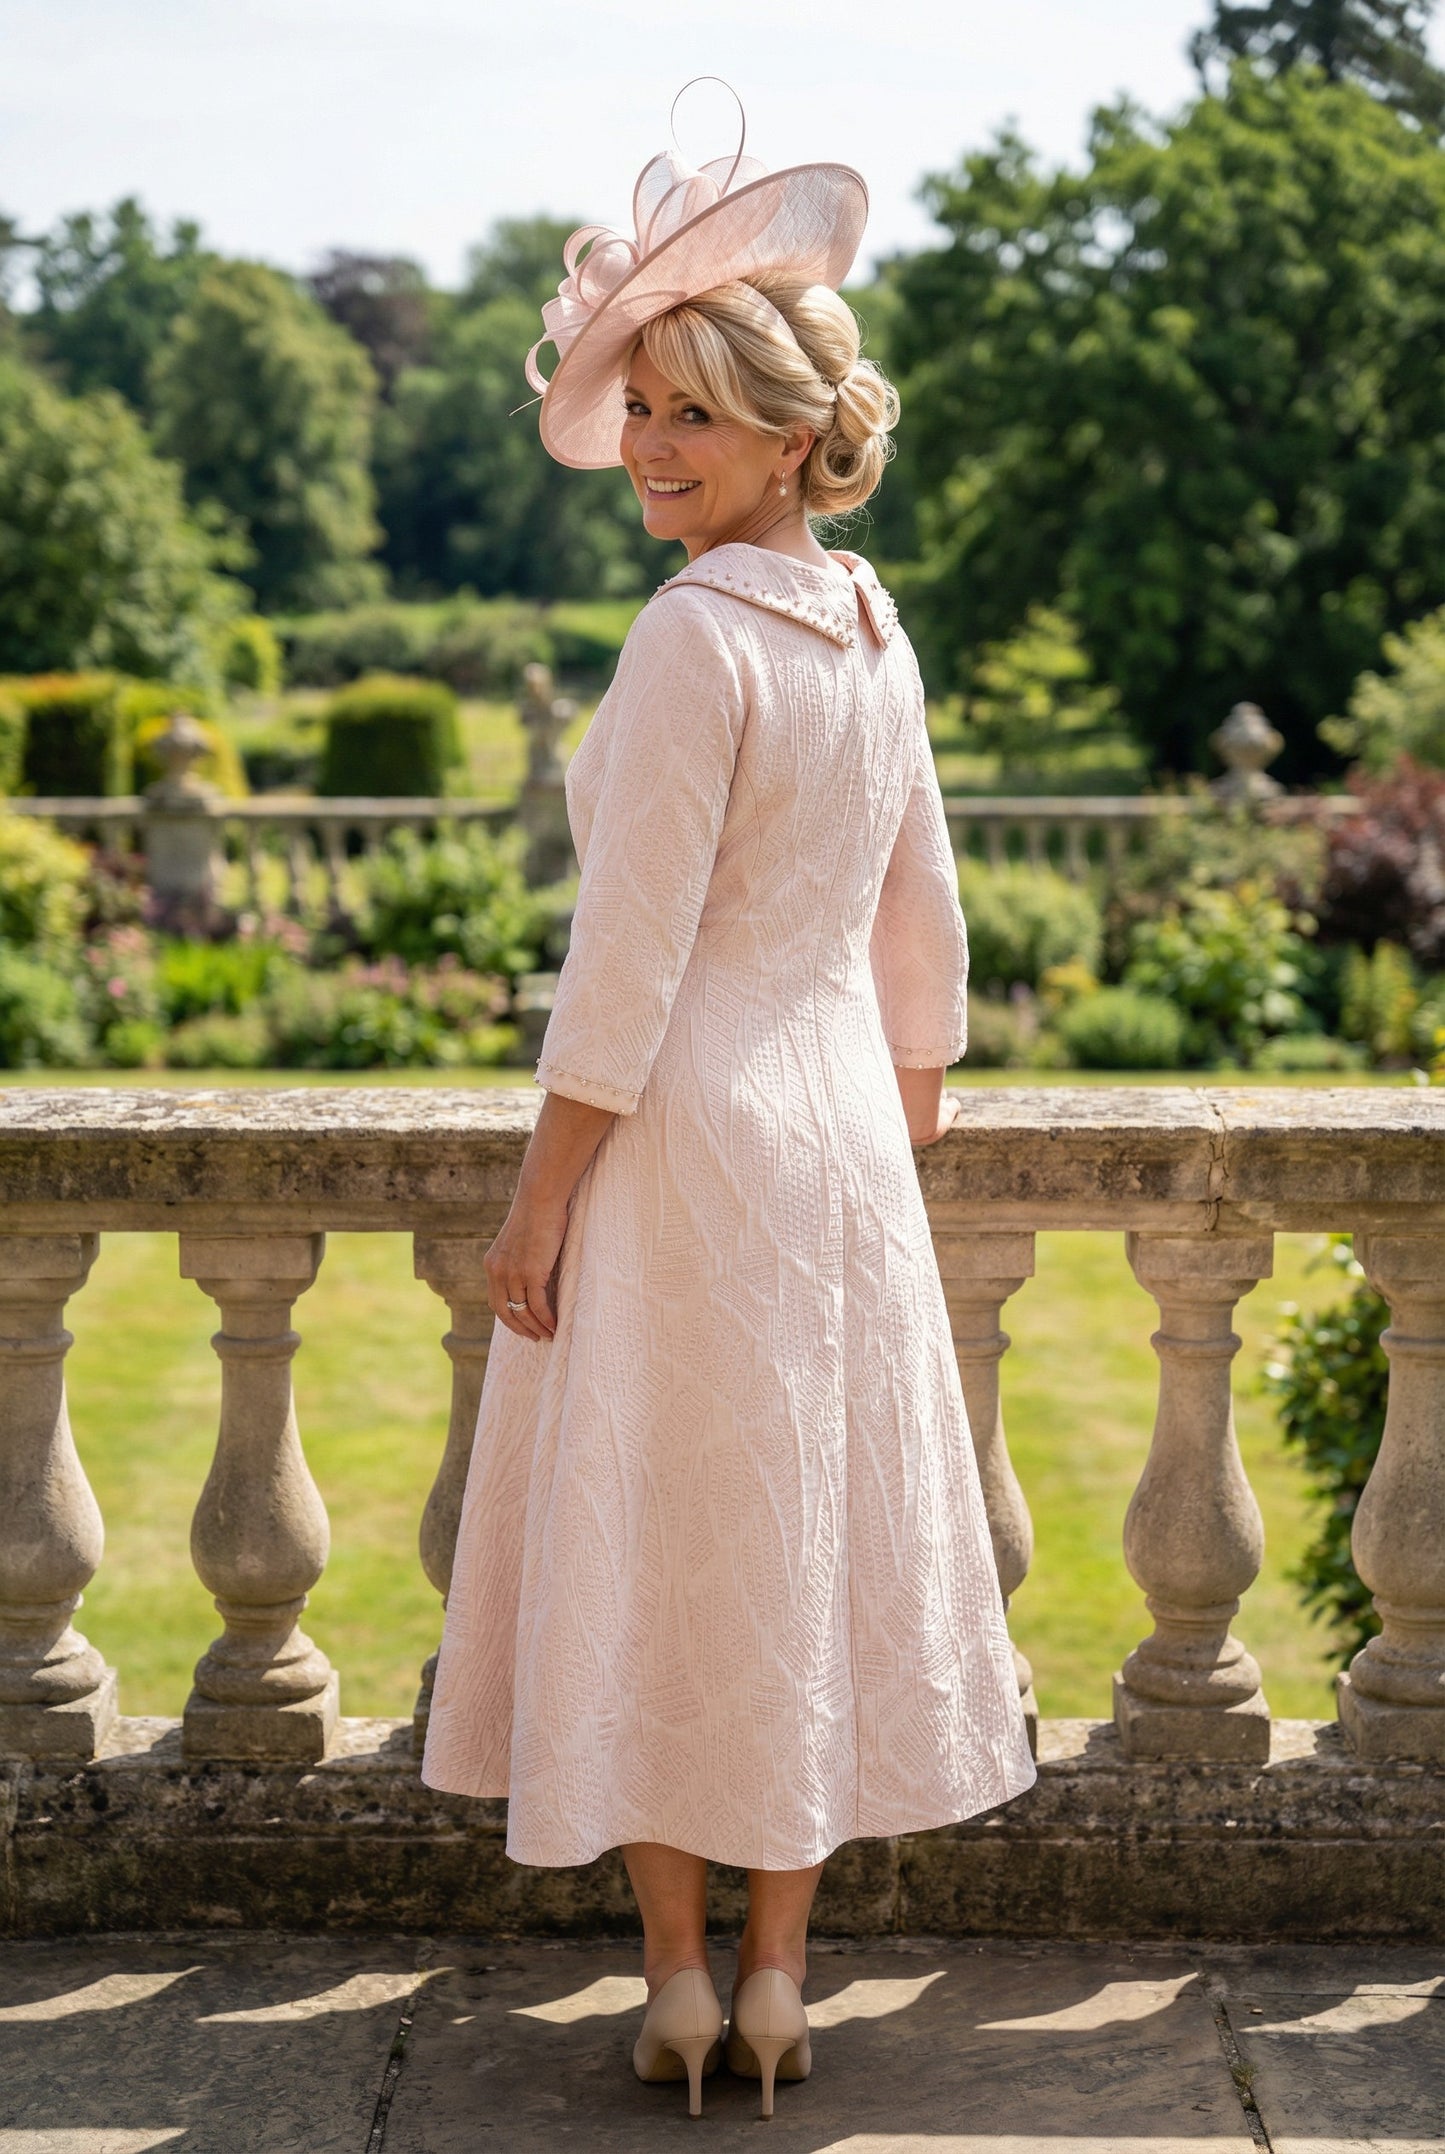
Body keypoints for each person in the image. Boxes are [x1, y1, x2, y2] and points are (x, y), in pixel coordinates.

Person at [421, 92, 1038, 2122]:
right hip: (833, 1132)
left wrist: (537, 1204)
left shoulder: (696, 638)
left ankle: (682, 1978)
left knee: (669, 1542)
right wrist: (899, 1119)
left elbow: (624, 961)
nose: (651, 449)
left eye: (692, 415)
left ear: (791, 437)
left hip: (686, 1140)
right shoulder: (872, 625)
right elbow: (921, 918)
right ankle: (778, 1980)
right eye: (642, 407)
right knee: (790, 1541)